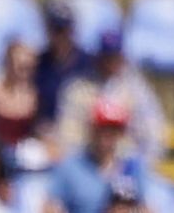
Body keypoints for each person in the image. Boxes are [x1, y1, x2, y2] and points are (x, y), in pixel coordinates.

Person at [44, 101, 142, 213]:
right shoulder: (71, 165)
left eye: (113, 129)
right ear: (91, 129)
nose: (107, 134)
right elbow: (50, 210)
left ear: (122, 132)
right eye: (101, 128)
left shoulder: (132, 167)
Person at [56, 29, 165, 160]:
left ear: (122, 57)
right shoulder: (78, 89)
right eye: (107, 56)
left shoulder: (137, 91)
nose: (110, 62)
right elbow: (68, 138)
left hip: (127, 162)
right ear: (97, 57)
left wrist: (138, 163)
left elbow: (152, 136)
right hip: (86, 162)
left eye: (115, 56)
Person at [34, 0, 89, 128]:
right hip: (47, 131)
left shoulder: (87, 63)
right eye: (56, 30)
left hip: (81, 131)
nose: (61, 36)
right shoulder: (39, 64)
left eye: (64, 30)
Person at [0, 40, 39, 148]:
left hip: (25, 148)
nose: (24, 72)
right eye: (20, 66)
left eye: (27, 67)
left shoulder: (36, 93)